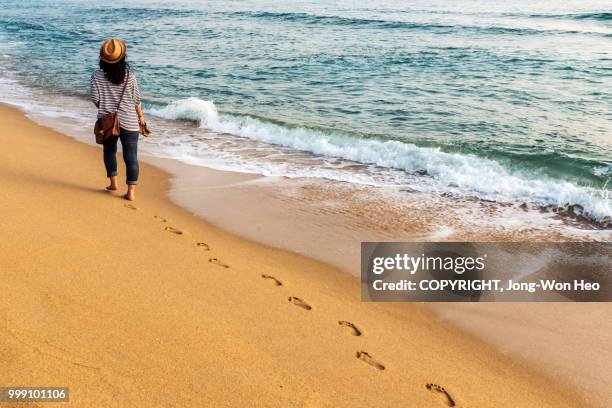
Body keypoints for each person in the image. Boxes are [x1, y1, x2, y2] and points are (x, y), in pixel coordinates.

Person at [90, 38, 145, 201]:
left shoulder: (96, 75)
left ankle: (113, 183)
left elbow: (95, 98)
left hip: (107, 121)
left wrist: (106, 106)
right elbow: (136, 99)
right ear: (123, 57)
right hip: (129, 121)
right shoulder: (130, 76)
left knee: (109, 151)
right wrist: (141, 116)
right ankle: (131, 192)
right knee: (131, 157)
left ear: (103, 58)